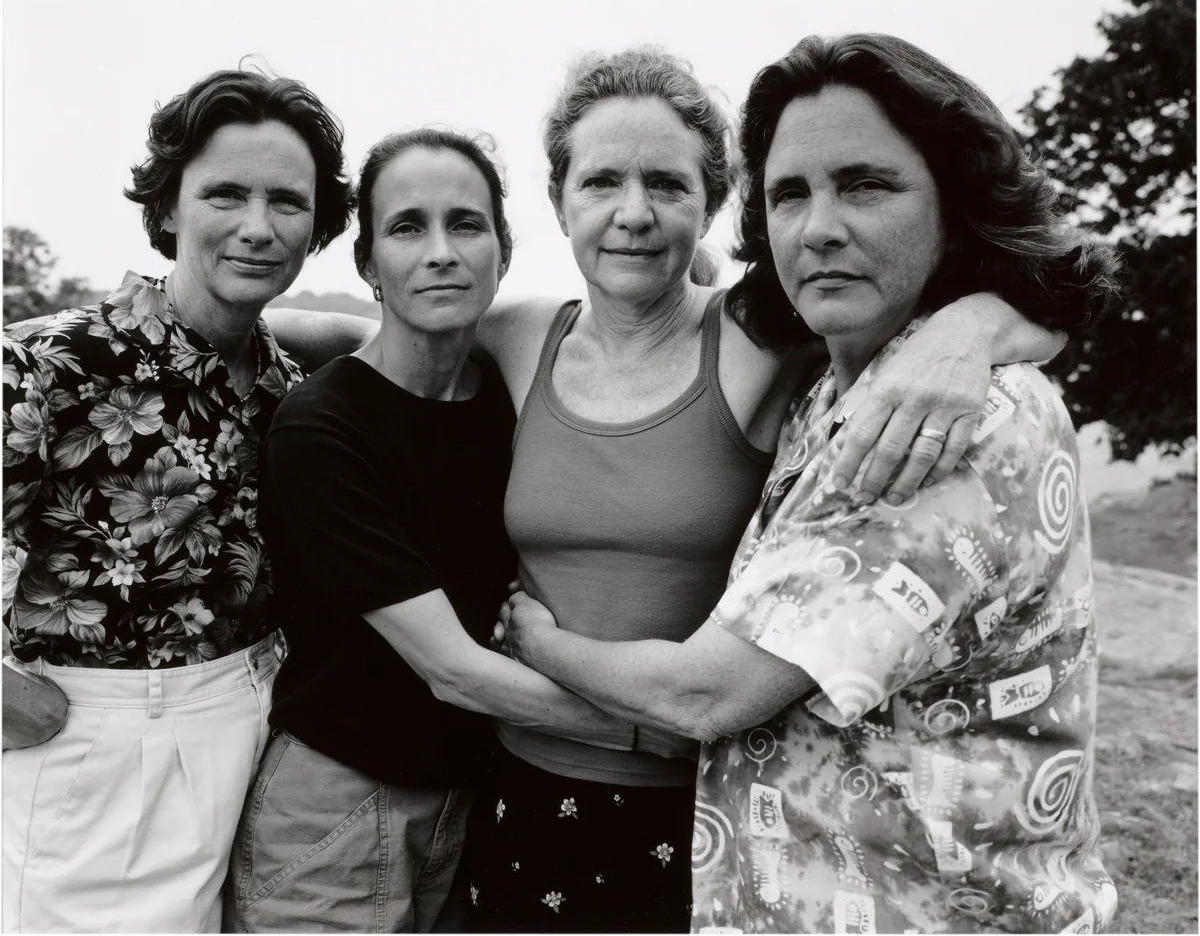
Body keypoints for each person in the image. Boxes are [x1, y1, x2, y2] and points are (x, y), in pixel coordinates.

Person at [265, 48, 1067, 933]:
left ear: (713, 202)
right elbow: (381, 340)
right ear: (560, 202)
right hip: (514, 789)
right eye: (602, 181)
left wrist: (969, 330)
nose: (633, 213)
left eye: (667, 184)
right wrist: (228, 321)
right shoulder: (522, 336)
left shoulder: (765, 331)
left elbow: (1042, 292)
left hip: (699, 805)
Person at [498, 33, 1120, 934]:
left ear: (956, 204)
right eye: (790, 193)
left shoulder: (953, 426)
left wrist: (534, 639)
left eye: (865, 185)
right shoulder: (839, 382)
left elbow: (706, 694)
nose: (819, 227)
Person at [225, 128, 694, 934]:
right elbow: (452, 670)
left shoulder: (508, 395)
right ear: (369, 263)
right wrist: (654, 733)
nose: (441, 252)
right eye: (408, 227)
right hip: (336, 809)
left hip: (473, 805)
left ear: (503, 252)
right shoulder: (323, 426)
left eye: (466, 225)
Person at [1, 68, 354, 933]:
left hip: (261, 736)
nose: (257, 227)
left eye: (287, 201)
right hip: (98, 751)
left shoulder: (289, 388)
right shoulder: (45, 366)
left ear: (317, 228)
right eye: (225, 194)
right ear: (166, 207)